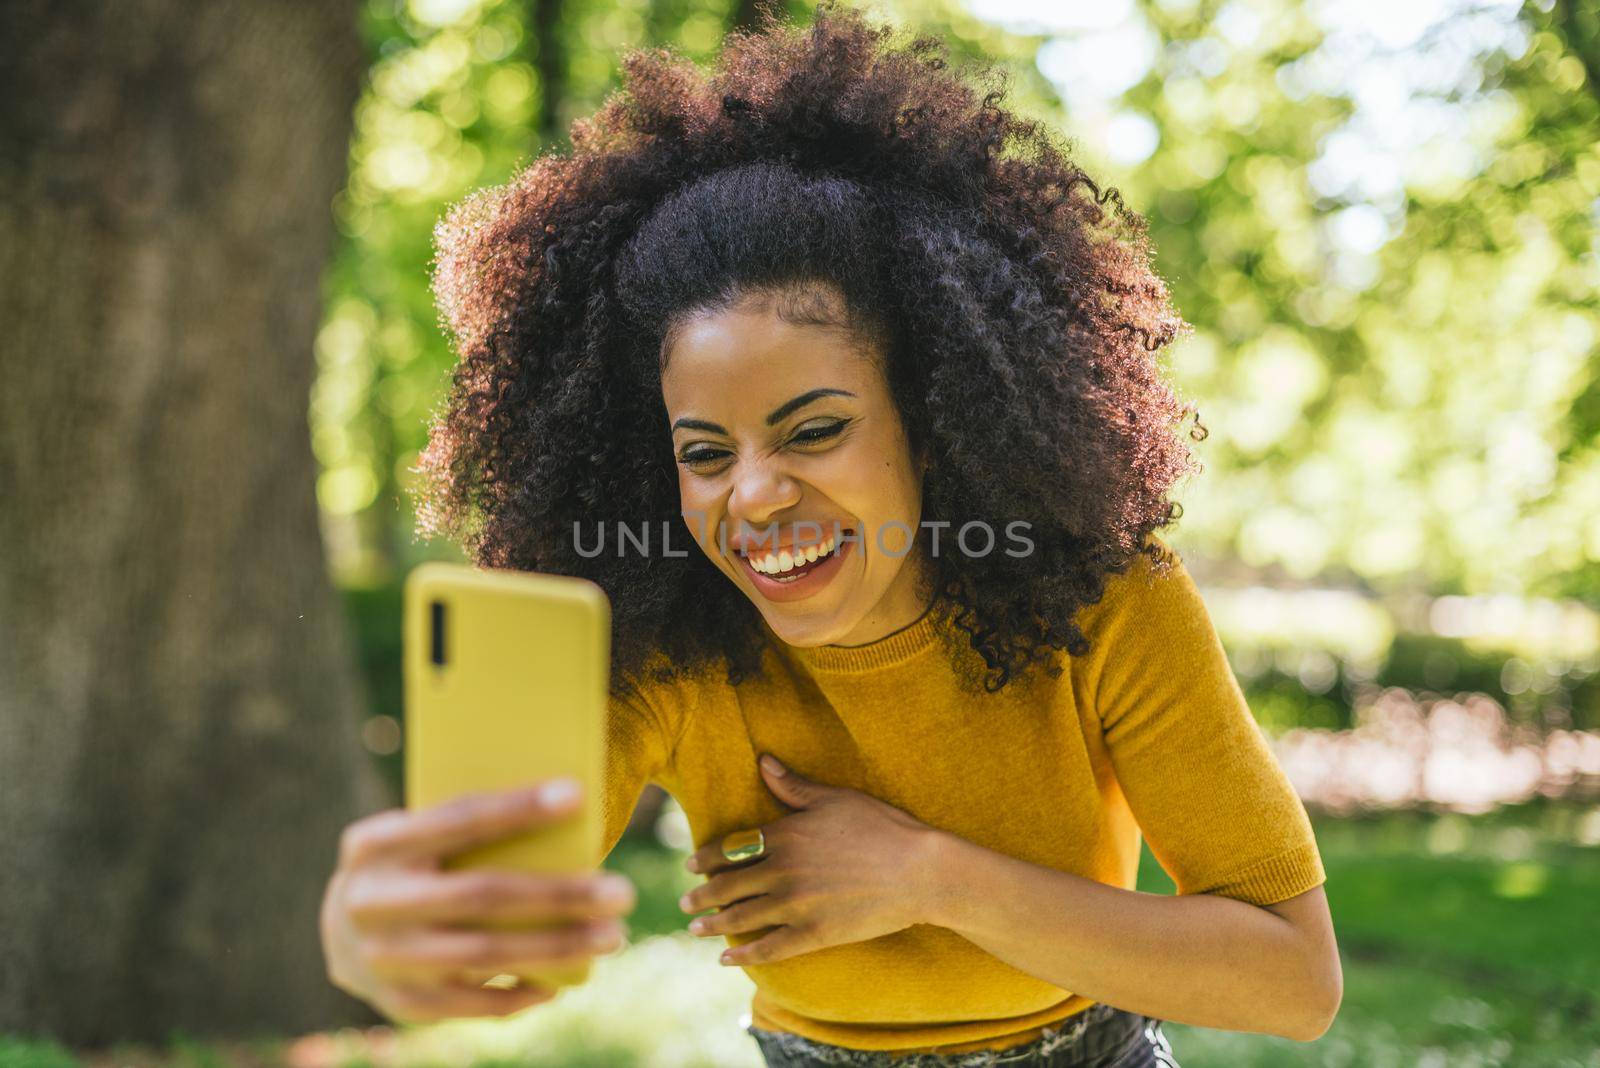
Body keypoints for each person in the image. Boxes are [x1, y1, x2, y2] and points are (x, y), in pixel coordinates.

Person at [319, 4, 1342, 1065]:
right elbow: (487, 926)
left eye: (815, 430)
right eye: (705, 453)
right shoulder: (662, 649)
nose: (753, 496)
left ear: (936, 423)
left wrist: (928, 879)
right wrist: (374, 931)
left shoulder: (1101, 597)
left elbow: (1293, 979)